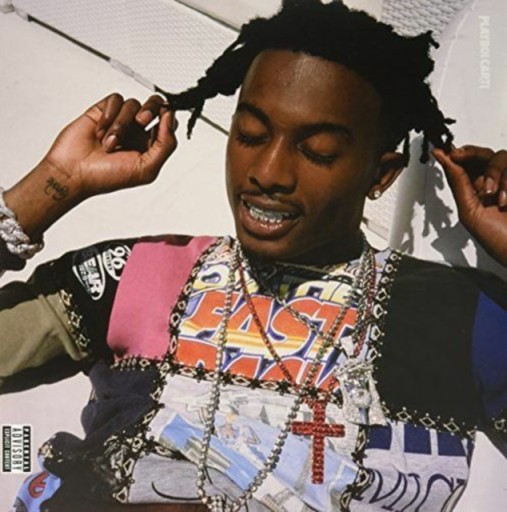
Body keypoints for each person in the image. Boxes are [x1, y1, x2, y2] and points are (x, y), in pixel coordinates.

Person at [1, 1, 506, 510]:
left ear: (381, 173)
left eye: (318, 151)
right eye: (250, 135)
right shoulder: (136, 274)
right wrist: (52, 187)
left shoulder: (460, 316)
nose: (268, 172)